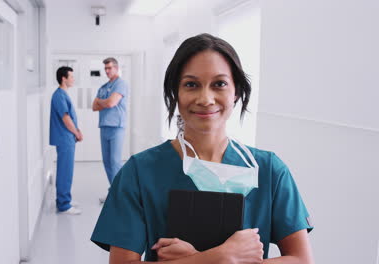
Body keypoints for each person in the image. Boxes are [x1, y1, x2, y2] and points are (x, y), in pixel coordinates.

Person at [91, 33, 314, 263]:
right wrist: (223, 256)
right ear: (175, 93)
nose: (206, 98)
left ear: (236, 91)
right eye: (191, 85)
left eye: (219, 84)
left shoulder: (269, 170)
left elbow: (301, 259)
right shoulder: (139, 172)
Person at [92, 57, 129, 203]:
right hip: (104, 126)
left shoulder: (121, 84)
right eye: (105, 68)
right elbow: (94, 106)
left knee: (115, 162)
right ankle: (114, 191)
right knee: (107, 162)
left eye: (110, 68)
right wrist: (104, 103)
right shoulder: (103, 86)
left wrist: (103, 102)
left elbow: (111, 103)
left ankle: (121, 195)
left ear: (116, 68)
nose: (107, 71)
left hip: (116, 127)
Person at [49, 66, 83, 215]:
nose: (73, 79)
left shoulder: (62, 94)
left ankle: (65, 200)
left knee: (67, 171)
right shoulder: (59, 96)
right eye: (71, 76)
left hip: (67, 137)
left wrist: (77, 130)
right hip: (65, 138)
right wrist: (76, 132)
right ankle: (63, 205)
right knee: (64, 171)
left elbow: (70, 116)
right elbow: (65, 118)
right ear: (64, 78)